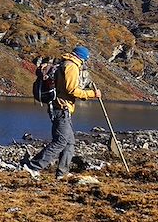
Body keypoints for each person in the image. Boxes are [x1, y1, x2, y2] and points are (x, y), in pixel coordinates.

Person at [22, 46, 101, 180]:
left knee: (69, 142)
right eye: (85, 59)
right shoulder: (72, 66)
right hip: (61, 108)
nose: (85, 62)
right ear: (82, 58)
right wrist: (92, 94)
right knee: (61, 141)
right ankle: (34, 166)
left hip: (61, 108)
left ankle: (62, 172)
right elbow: (72, 90)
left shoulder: (63, 63)